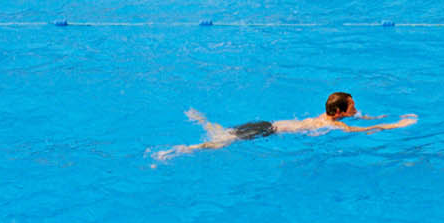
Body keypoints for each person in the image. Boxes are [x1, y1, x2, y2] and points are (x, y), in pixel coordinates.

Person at [152, 91, 416, 161]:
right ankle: (185, 149)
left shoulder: (328, 117)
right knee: (222, 143)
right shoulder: (336, 126)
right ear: (338, 113)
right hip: (268, 131)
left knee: (226, 133)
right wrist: (397, 125)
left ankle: (201, 120)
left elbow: (362, 120)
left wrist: (375, 117)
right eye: (352, 107)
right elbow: (365, 131)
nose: (356, 111)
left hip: (269, 123)